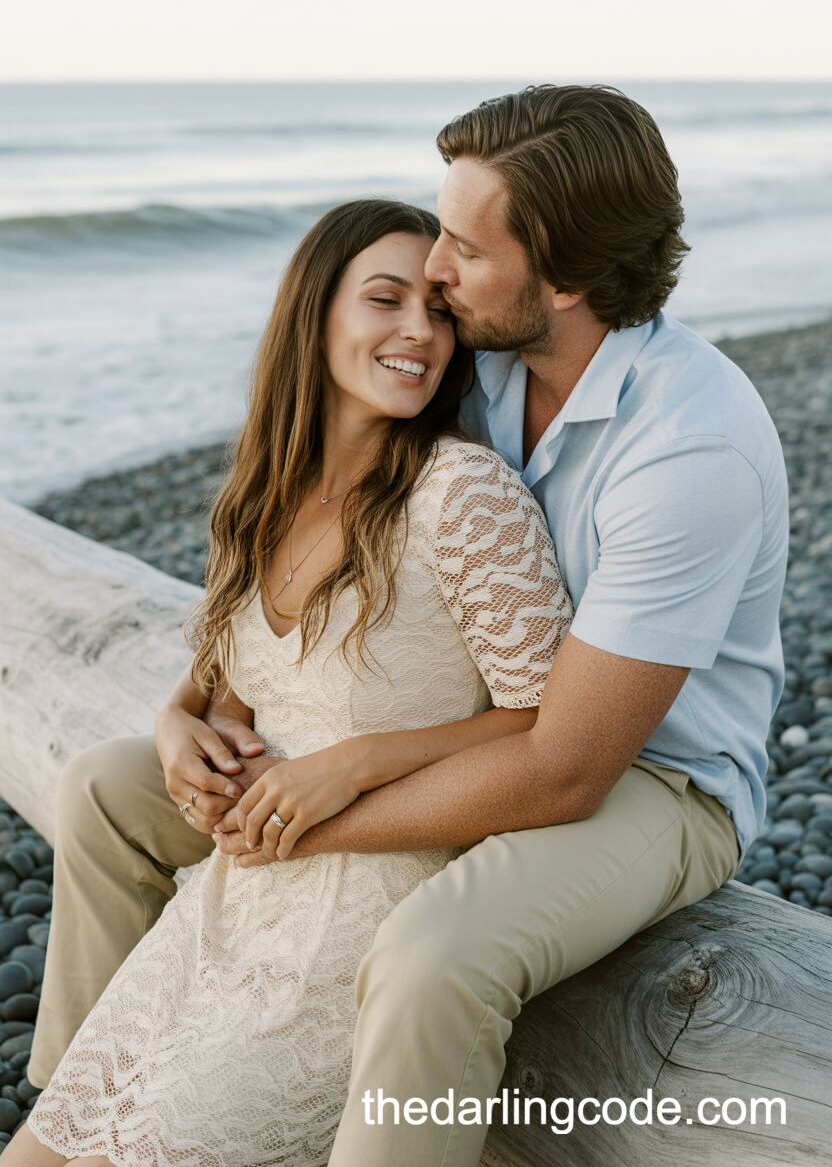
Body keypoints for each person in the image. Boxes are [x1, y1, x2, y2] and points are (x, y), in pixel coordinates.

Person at [25, 84, 789, 1167]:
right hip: (483, 726)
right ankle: (86, 1109)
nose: (435, 271)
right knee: (109, 789)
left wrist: (313, 807)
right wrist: (183, 716)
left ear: (564, 279)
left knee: (435, 956)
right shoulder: (479, 362)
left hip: (649, 776)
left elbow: (567, 767)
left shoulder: (687, 447)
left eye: (464, 251)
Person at [7, 198, 572, 1166]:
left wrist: (360, 760)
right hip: (233, 895)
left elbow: (544, 717)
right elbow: (233, 690)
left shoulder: (463, 495)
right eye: (385, 300)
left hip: (368, 914)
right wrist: (182, 731)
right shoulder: (264, 493)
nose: (419, 331)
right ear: (314, 313)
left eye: (437, 311)